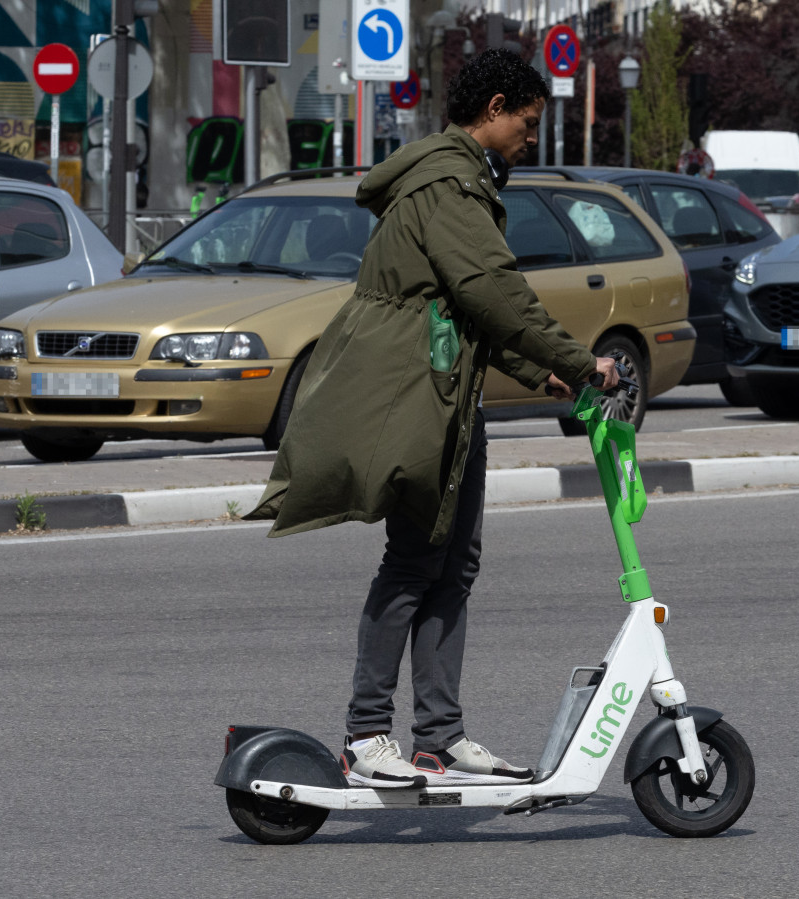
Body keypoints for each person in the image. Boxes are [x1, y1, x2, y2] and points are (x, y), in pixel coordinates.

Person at [246, 48, 619, 789]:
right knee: (415, 561)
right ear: (494, 108)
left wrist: (530, 369)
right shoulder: (450, 184)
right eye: (527, 121)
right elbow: (490, 291)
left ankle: (438, 737)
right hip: (409, 395)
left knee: (455, 562)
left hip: (445, 392)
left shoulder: (457, 176)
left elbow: (454, 308)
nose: (529, 138)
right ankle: (365, 735)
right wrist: (579, 361)